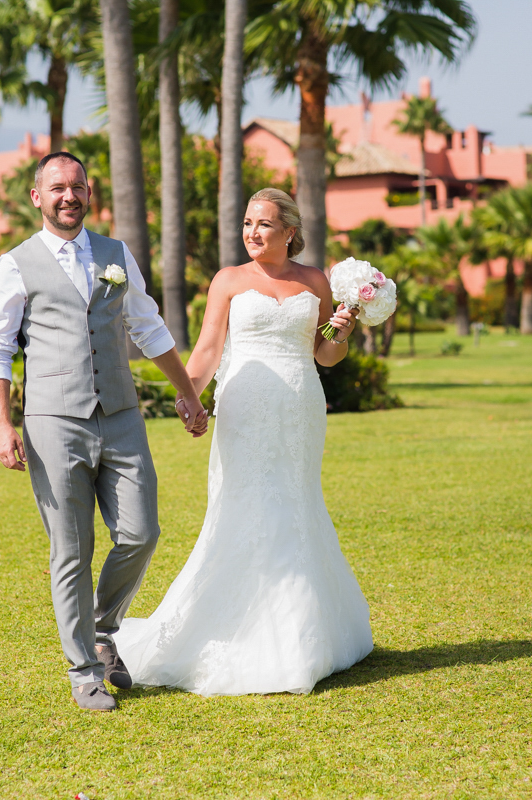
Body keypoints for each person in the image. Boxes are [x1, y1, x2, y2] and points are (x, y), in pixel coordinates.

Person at [114, 188, 374, 695]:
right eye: (248, 223)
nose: (253, 232)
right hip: (244, 410)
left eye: (265, 224)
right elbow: (209, 346)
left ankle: (305, 631)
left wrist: (342, 330)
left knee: (295, 504)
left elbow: (325, 356)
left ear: (290, 232)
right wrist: (189, 395)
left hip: (299, 410)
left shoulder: (315, 281)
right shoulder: (228, 281)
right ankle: (231, 627)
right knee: (243, 505)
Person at [0, 152, 209, 712]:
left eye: (77, 186)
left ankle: (103, 631)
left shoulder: (116, 254)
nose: (68, 196)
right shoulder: (16, 263)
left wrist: (187, 391)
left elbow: (148, 326)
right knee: (71, 550)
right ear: (36, 197)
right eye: (57, 187)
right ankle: (83, 670)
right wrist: (3, 423)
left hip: (123, 415)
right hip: (53, 423)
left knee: (142, 532)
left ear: (89, 193)